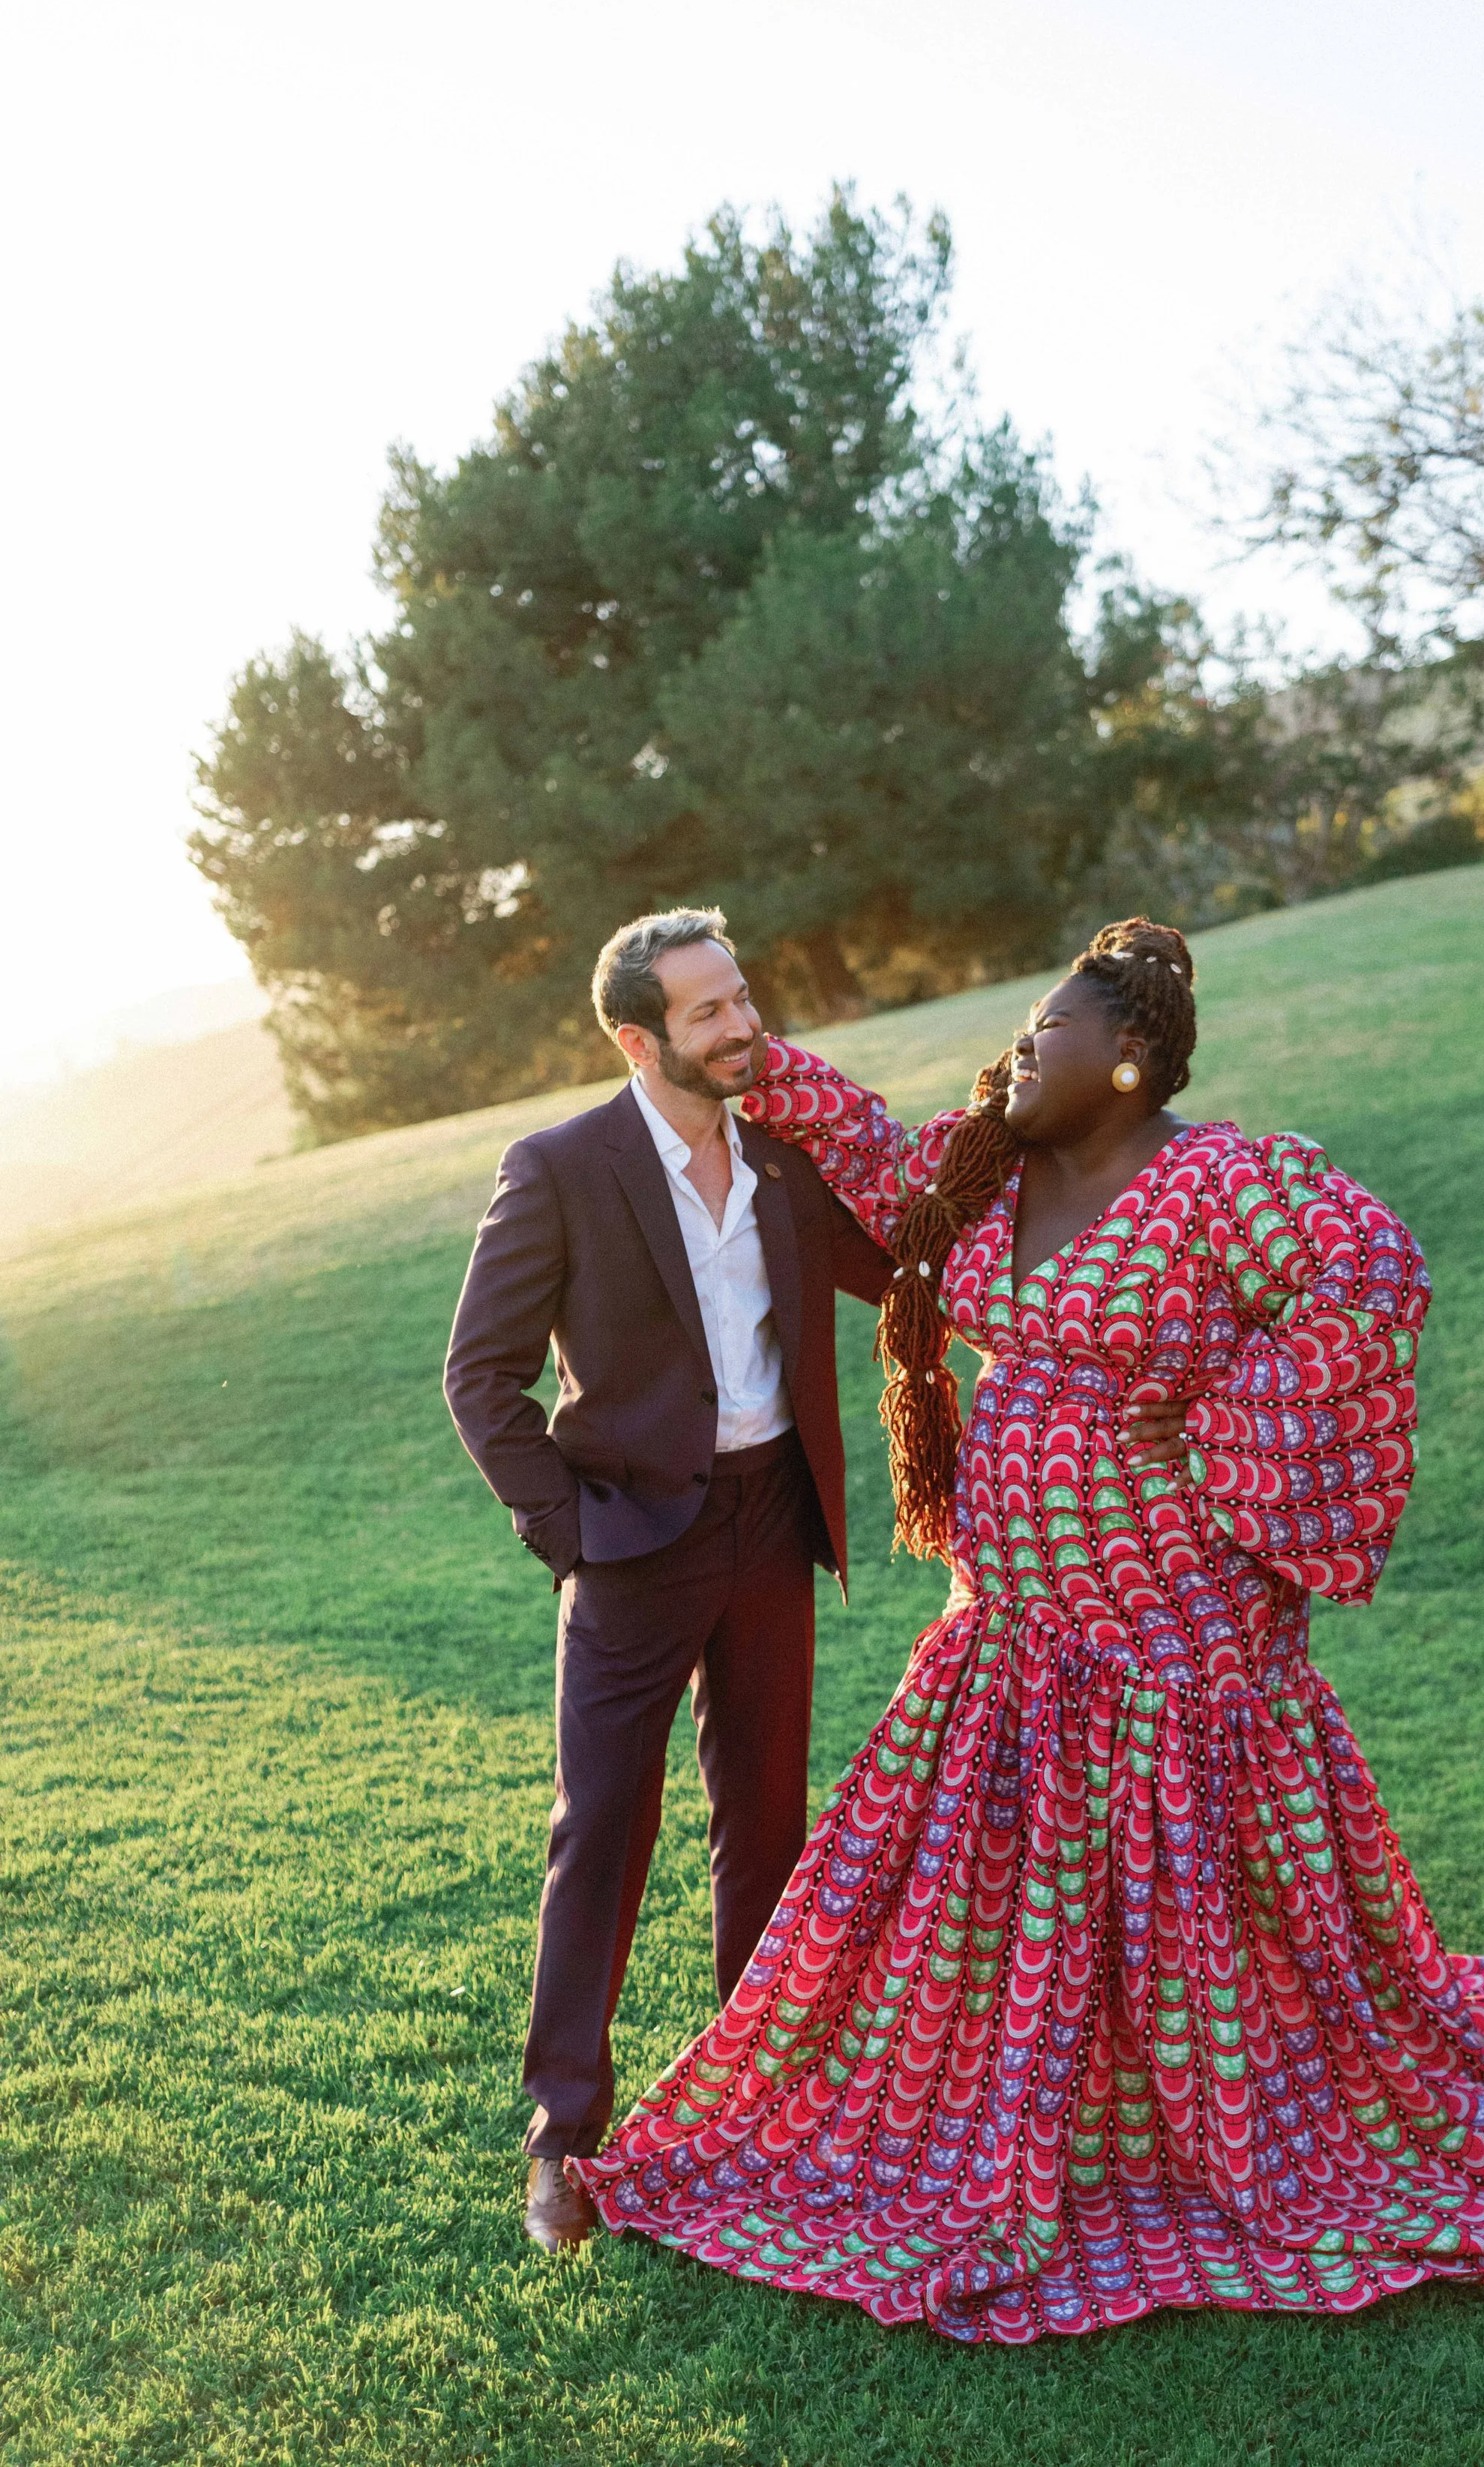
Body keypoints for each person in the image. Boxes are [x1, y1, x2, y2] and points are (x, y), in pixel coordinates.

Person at [569, 916, 1484, 2343]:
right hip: (1009, 1638)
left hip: (1177, 1647)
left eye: (1049, 1031)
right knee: (986, 1894)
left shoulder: (1217, 1184)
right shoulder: (984, 1181)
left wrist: (1232, 1428)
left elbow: (1371, 1270)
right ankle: (1009, 2114)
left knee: (1189, 1903)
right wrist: (752, 1056)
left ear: (1127, 1062)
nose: (1019, 1051)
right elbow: (869, 1150)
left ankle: (1208, 2126)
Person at [444, 908, 894, 2254]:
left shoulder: (788, 1151)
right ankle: (564, 2143)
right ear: (641, 1039)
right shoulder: (562, 1167)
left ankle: (758, 2103)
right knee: (605, 1832)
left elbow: (907, 1270)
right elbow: (481, 1377)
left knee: (766, 1824)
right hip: (631, 1544)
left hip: (773, 1520)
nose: (744, 1023)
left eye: (742, 996)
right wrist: (571, 1531)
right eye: (709, 1012)